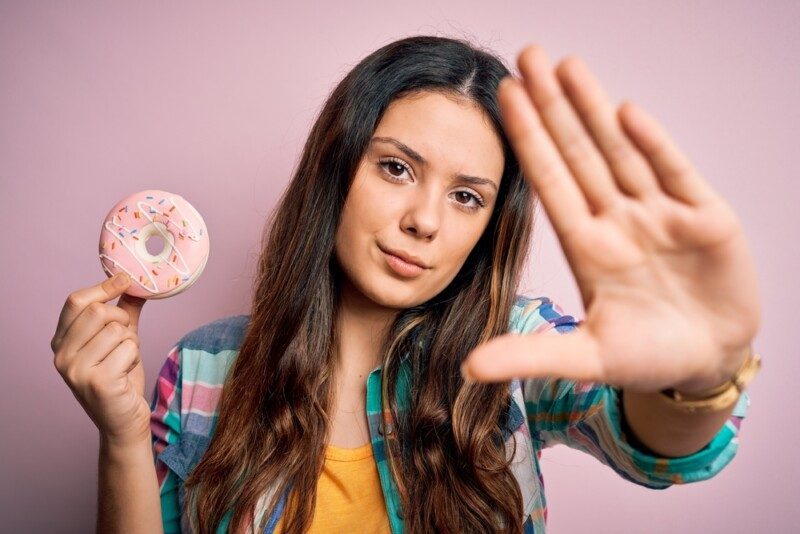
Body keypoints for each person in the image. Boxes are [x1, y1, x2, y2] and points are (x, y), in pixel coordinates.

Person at [51, 35, 761, 534]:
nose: (424, 220)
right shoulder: (204, 367)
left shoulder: (517, 346)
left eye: (466, 197)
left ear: (489, 225)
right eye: (396, 168)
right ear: (336, 169)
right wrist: (120, 437)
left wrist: (696, 380)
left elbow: (659, 445)